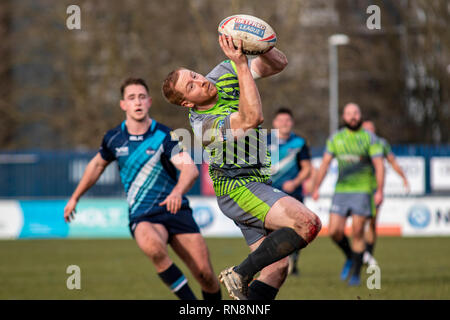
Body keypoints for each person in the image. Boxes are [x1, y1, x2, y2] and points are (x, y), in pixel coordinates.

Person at [162, 35, 321, 300]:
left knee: (277, 268)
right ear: (188, 103)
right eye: (191, 86)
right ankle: (239, 273)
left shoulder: (222, 72)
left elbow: (278, 64)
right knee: (307, 224)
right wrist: (242, 65)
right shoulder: (204, 125)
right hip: (237, 188)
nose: (201, 80)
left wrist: (262, 44)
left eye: (194, 74)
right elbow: (252, 118)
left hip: (257, 182)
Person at [63, 78, 221, 300]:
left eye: (141, 97)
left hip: (176, 209)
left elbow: (190, 169)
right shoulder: (114, 138)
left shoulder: (165, 135)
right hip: (143, 213)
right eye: (131, 98)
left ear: (149, 102)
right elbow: (97, 165)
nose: (137, 102)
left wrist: (177, 192)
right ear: (123, 105)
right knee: (154, 249)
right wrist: (75, 198)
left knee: (206, 276)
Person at [312, 103, 385, 286]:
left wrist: (380, 190)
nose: (352, 116)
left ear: (360, 115)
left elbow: (379, 166)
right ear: (343, 117)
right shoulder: (336, 139)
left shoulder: (370, 138)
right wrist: (316, 187)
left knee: (358, 232)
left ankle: (356, 274)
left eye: (355, 113)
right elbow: (325, 164)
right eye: (349, 113)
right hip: (341, 191)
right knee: (334, 231)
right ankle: (351, 257)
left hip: (362, 191)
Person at [268, 107, 312, 276]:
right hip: (270, 194)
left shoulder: (299, 143)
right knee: (272, 231)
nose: (284, 123)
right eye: (281, 120)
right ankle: (274, 263)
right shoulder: (265, 141)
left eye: (287, 120)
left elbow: (307, 169)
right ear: (275, 123)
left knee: (297, 229)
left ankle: (293, 261)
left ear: (292, 123)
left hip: (294, 194)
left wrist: (295, 182)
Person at [362, 120, 410, 266]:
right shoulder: (357, 143)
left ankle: (368, 254)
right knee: (359, 222)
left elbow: (392, 161)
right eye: (366, 129)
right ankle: (359, 254)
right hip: (358, 188)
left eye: (371, 129)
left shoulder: (381, 143)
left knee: (372, 221)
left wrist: (403, 177)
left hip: (375, 188)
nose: (369, 131)